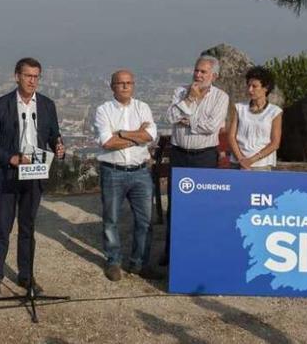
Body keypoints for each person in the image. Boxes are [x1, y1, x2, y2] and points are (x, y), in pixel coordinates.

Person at [0, 57, 65, 296]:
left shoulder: (47, 105)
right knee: (3, 228)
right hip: (8, 175)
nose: (32, 81)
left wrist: (59, 147)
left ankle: (26, 277)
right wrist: (11, 158)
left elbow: (54, 135)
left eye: (36, 76)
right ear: (17, 76)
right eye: (28, 76)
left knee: (28, 228)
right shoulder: (1, 104)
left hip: (35, 175)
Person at [160, 55, 229, 265]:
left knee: (202, 204)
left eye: (203, 72)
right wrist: (190, 99)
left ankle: (199, 250)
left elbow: (212, 126)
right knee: (175, 205)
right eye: (196, 70)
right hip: (179, 153)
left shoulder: (221, 97)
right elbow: (170, 117)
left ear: (214, 76)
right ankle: (170, 252)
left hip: (204, 156)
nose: (198, 75)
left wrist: (187, 120)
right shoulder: (181, 92)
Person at [93, 70, 158, 281]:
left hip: (140, 171)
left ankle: (140, 263)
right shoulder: (103, 110)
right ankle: (113, 261)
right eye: (120, 83)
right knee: (111, 219)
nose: (125, 87)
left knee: (145, 221)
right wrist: (137, 137)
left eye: (128, 83)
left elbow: (150, 135)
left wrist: (121, 133)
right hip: (113, 172)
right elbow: (107, 142)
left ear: (133, 85)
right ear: (112, 86)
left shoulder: (143, 107)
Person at [228, 66, 283, 170]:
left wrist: (251, 160)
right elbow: (231, 136)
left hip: (261, 165)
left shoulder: (275, 112)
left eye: (254, 86)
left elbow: (275, 143)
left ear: (265, 88)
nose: (250, 90)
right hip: (237, 163)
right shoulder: (239, 108)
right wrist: (241, 159)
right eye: (248, 85)